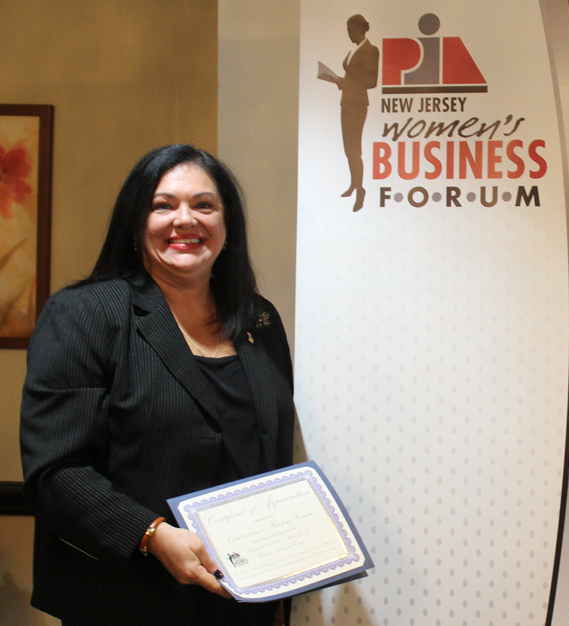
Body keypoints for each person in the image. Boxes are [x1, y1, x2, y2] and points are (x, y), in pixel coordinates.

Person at [20, 145, 295, 626]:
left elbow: (268, 455)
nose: (184, 219)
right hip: (128, 599)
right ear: (134, 222)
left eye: (204, 205)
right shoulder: (86, 313)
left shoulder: (259, 318)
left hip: (244, 598)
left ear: (227, 225)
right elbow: (55, 472)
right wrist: (152, 534)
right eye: (162, 205)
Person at [333, 14, 379, 212]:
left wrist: (345, 83)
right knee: (348, 148)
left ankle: (360, 190)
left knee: (354, 148)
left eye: (351, 30)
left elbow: (371, 81)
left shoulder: (370, 50)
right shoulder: (355, 50)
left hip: (357, 104)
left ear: (360, 29)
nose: (349, 34)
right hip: (347, 103)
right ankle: (354, 184)